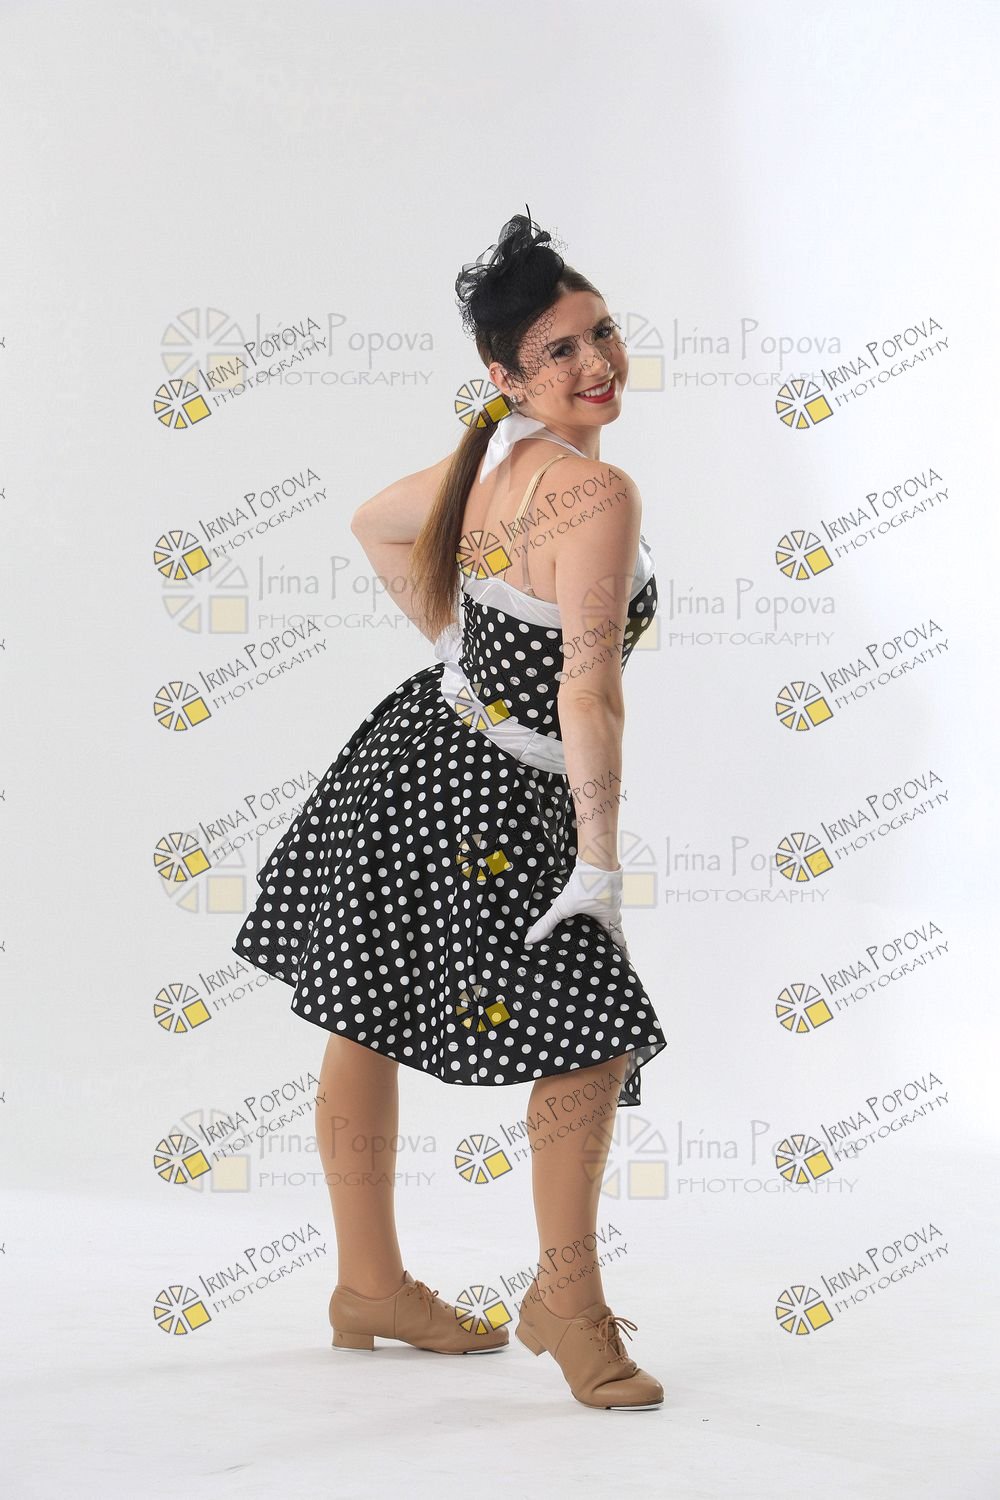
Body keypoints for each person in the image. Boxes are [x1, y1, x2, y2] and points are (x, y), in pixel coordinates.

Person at [232, 207, 668, 1410]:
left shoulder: (489, 462)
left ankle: (368, 1286)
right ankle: (563, 1303)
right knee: (592, 1030)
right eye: (560, 351)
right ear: (504, 376)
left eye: (601, 333)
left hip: (416, 753)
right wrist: (599, 862)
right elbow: (589, 693)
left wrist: (457, 652)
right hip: (482, 786)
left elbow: (378, 520)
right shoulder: (596, 491)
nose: (597, 363)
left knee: (362, 1008)